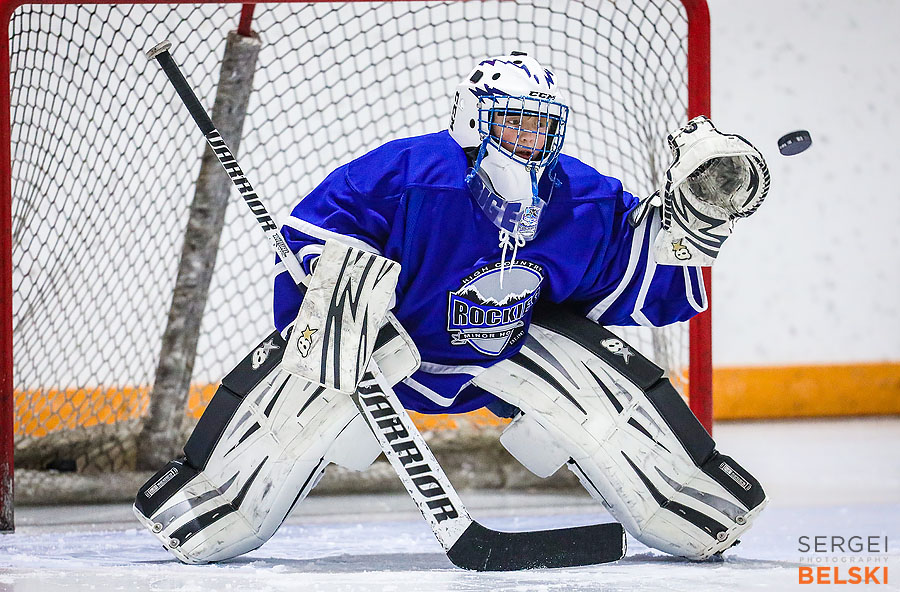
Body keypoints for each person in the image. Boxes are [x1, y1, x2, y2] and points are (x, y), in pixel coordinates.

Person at [134, 52, 769, 566]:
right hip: (383, 353)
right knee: (330, 330)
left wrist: (698, 212)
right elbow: (313, 254)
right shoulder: (407, 175)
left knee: (602, 377)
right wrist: (332, 301)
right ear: (473, 120)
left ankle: (686, 500)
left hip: (510, 354)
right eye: (514, 124)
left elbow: (641, 268)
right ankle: (211, 499)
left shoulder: (576, 196)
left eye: (542, 127)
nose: (530, 142)